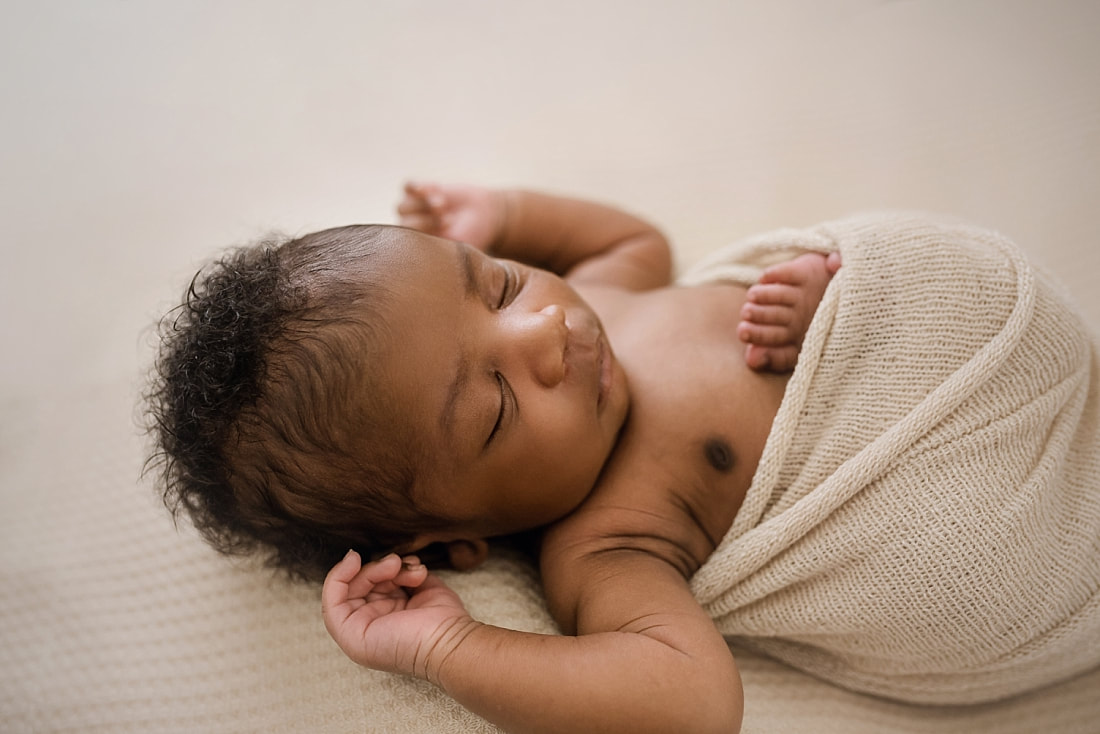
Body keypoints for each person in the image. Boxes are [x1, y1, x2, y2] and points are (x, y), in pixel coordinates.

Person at [147, 181, 839, 733]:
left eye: (500, 283)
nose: (547, 330)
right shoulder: (607, 544)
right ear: (457, 536)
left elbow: (635, 239)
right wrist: (448, 649)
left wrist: (506, 212)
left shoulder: (595, 295)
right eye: (497, 405)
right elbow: (694, 704)